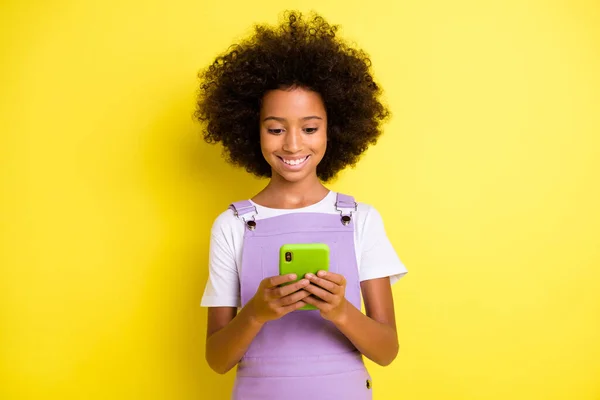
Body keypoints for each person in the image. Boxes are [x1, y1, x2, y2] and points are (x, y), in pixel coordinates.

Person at [196, 10, 408, 400]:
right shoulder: (232, 225)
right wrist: (257, 312)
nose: (293, 145)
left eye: (309, 128)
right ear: (251, 128)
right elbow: (217, 358)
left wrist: (340, 310)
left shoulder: (360, 220)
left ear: (334, 128)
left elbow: (387, 350)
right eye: (275, 129)